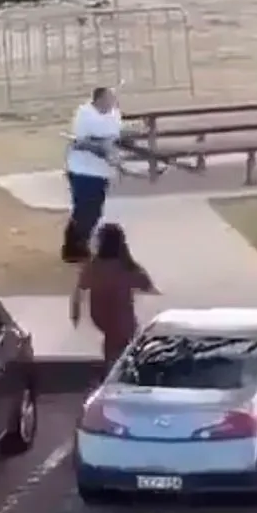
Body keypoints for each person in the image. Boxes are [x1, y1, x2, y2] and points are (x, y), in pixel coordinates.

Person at [70, 222, 157, 370]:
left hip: (102, 319)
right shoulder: (126, 267)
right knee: (123, 348)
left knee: (113, 348)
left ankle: (112, 372)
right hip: (124, 320)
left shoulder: (93, 267)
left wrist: (75, 313)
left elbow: (80, 289)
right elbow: (147, 285)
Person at [62, 87, 122, 263]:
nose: (111, 102)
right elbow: (82, 141)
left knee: (95, 210)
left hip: (102, 171)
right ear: (98, 100)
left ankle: (81, 244)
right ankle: (74, 248)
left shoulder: (114, 114)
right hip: (82, 170)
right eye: (108, 99)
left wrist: (114, 152)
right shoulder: (85, 115)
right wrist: (103, 150)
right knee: (84, 210)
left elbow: (115, 136)